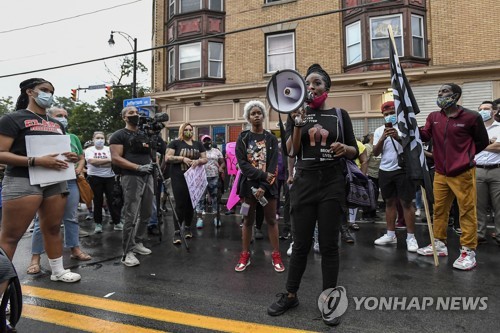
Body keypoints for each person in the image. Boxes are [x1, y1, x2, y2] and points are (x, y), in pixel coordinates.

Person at [267, 64, 358, 327]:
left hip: (332, 183)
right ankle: (291, 294)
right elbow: (292, 151)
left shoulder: (340, 115)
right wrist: (296, 124)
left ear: (327, 89)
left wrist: (345, 148)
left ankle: (329, 301)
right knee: (301, 244)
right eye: (307, 83)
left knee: (330, 245)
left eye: (317, 83)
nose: (311, 87)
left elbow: (355, 150)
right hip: (305, 183)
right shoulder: (296, 114)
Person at [0, 78, 81, 282]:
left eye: (51, 91)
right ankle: (3, 289)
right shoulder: (12, 119)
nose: (49, 95)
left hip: (55, 179)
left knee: (53, 227)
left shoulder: (55, 124)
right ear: (30, 92)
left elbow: (60, 151)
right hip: (23, 180)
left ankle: (57, 270)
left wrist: (69, 156)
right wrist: (36, 161)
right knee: (11, 236)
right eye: (44, 90)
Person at [417, 84, 489, 270]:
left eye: (445, 91)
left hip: (463, 172)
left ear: (455, 96)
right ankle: (439, 244)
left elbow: (481, 141)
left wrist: (466, 157)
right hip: (441, 172)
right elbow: (425, 136)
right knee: (439, 209)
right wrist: (410, 127)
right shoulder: (434, 117)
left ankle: (468, 250)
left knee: (466, 211)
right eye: (439, 91)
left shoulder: (472, 117)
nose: (440, 94)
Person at [27, 106, 92, 275]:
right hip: (47, 182)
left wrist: (78, 166)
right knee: (42, 222)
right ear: (50, 119)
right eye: (59, 115)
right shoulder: (40, 136)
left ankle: (75, 249)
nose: (63, 118)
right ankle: (35, 258)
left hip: (70, 181)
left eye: (65, 115)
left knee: (71, 218)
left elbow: (81, 156)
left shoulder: (73, 137)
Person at [234, 100, 283, 273]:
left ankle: (276, 255)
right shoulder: (243, 137)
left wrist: (263, 184)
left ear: (263, 115)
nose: (256, 116)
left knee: (271, 220)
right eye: (253, 113)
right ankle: (245, 254)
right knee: (247, 220)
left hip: (268, 188)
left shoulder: (270, 138)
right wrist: (262, 176)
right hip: (247, 189)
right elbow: (242, 164)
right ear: (248, 117)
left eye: (259, 113)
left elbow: (273, 165)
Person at [110, 106, 155, 267]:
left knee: (146, 212)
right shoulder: (119, 135)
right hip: (131, 177)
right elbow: (115, 158)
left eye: (136, 113)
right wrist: (137, 167)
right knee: (131, 213)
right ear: (124, 117)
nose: (135, 115)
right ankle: (127, 251)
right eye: (131, 113)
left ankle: (138, 242)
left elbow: (154, 152)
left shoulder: (144, 134)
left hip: (148, 176)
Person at [373, 101, 419, 252]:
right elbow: (375, 152)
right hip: (385, 170)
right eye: (386, 114)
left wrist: (399, 137)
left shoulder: (406, 128)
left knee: (406, 203)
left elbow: (414, 147)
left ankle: (411, 237)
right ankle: (390, 234)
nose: (389, 116)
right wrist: (382, 138)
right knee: (389, 202)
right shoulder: (379, 130)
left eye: (392, 113)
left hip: (403, 170)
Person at [165, 123, 207, 244]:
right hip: (178, 177)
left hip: (193, 178)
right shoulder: (175, 143)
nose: (189, 131)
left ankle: (188, 228)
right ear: (182, 131)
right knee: (180, 204)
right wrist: (182, 159)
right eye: (186, 129)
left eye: (190, 130)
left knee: (190, 204)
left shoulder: (198, 144)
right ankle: (177, 231)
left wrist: (198, 161)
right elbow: (167, 158)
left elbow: (205, 159)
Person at [85, 131, 122, 234]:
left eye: (102, 138)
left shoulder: (109, 149)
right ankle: (98, 224)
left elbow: (115, 161)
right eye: (98, 138)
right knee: (97, 201)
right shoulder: (89, 150)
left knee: (113, 201)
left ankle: (117, 222)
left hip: (109, 177)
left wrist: (100, 162)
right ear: (93, 139)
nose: (100, 140)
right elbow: (92, 162)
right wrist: (108, 160)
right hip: (95, 178)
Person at [474, 101, 500, 245]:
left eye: (486, 109)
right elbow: (469, 145)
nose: (483, 111)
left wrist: (480, 145)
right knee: (478, 205)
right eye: (481, 109)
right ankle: (479, 233)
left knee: (499, 205)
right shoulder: (474, 129)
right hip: (478, 169)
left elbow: (498, 147)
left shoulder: (499, 127)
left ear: (494, 111)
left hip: (497, 169)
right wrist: (490, 143)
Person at [195, 135, 225, 228]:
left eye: (209, 140)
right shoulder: (199, 151)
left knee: (215, 198)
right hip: (201, 177)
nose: (207, 142)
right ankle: (199, 219)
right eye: (205, 141)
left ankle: (217, 218)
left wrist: (221, 167)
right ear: (201, 142)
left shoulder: (216, 151)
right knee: (200, 199)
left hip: (214, 177)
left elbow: (223, 162)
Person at [362, 133, 381, 220]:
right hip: (369, 173)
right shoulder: (367, 146)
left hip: (377, 174)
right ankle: (366, 214)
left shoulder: (376, 146)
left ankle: (373, 213)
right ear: (370, 138)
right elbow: (365, 159)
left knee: (375, 194)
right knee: (369, 194)